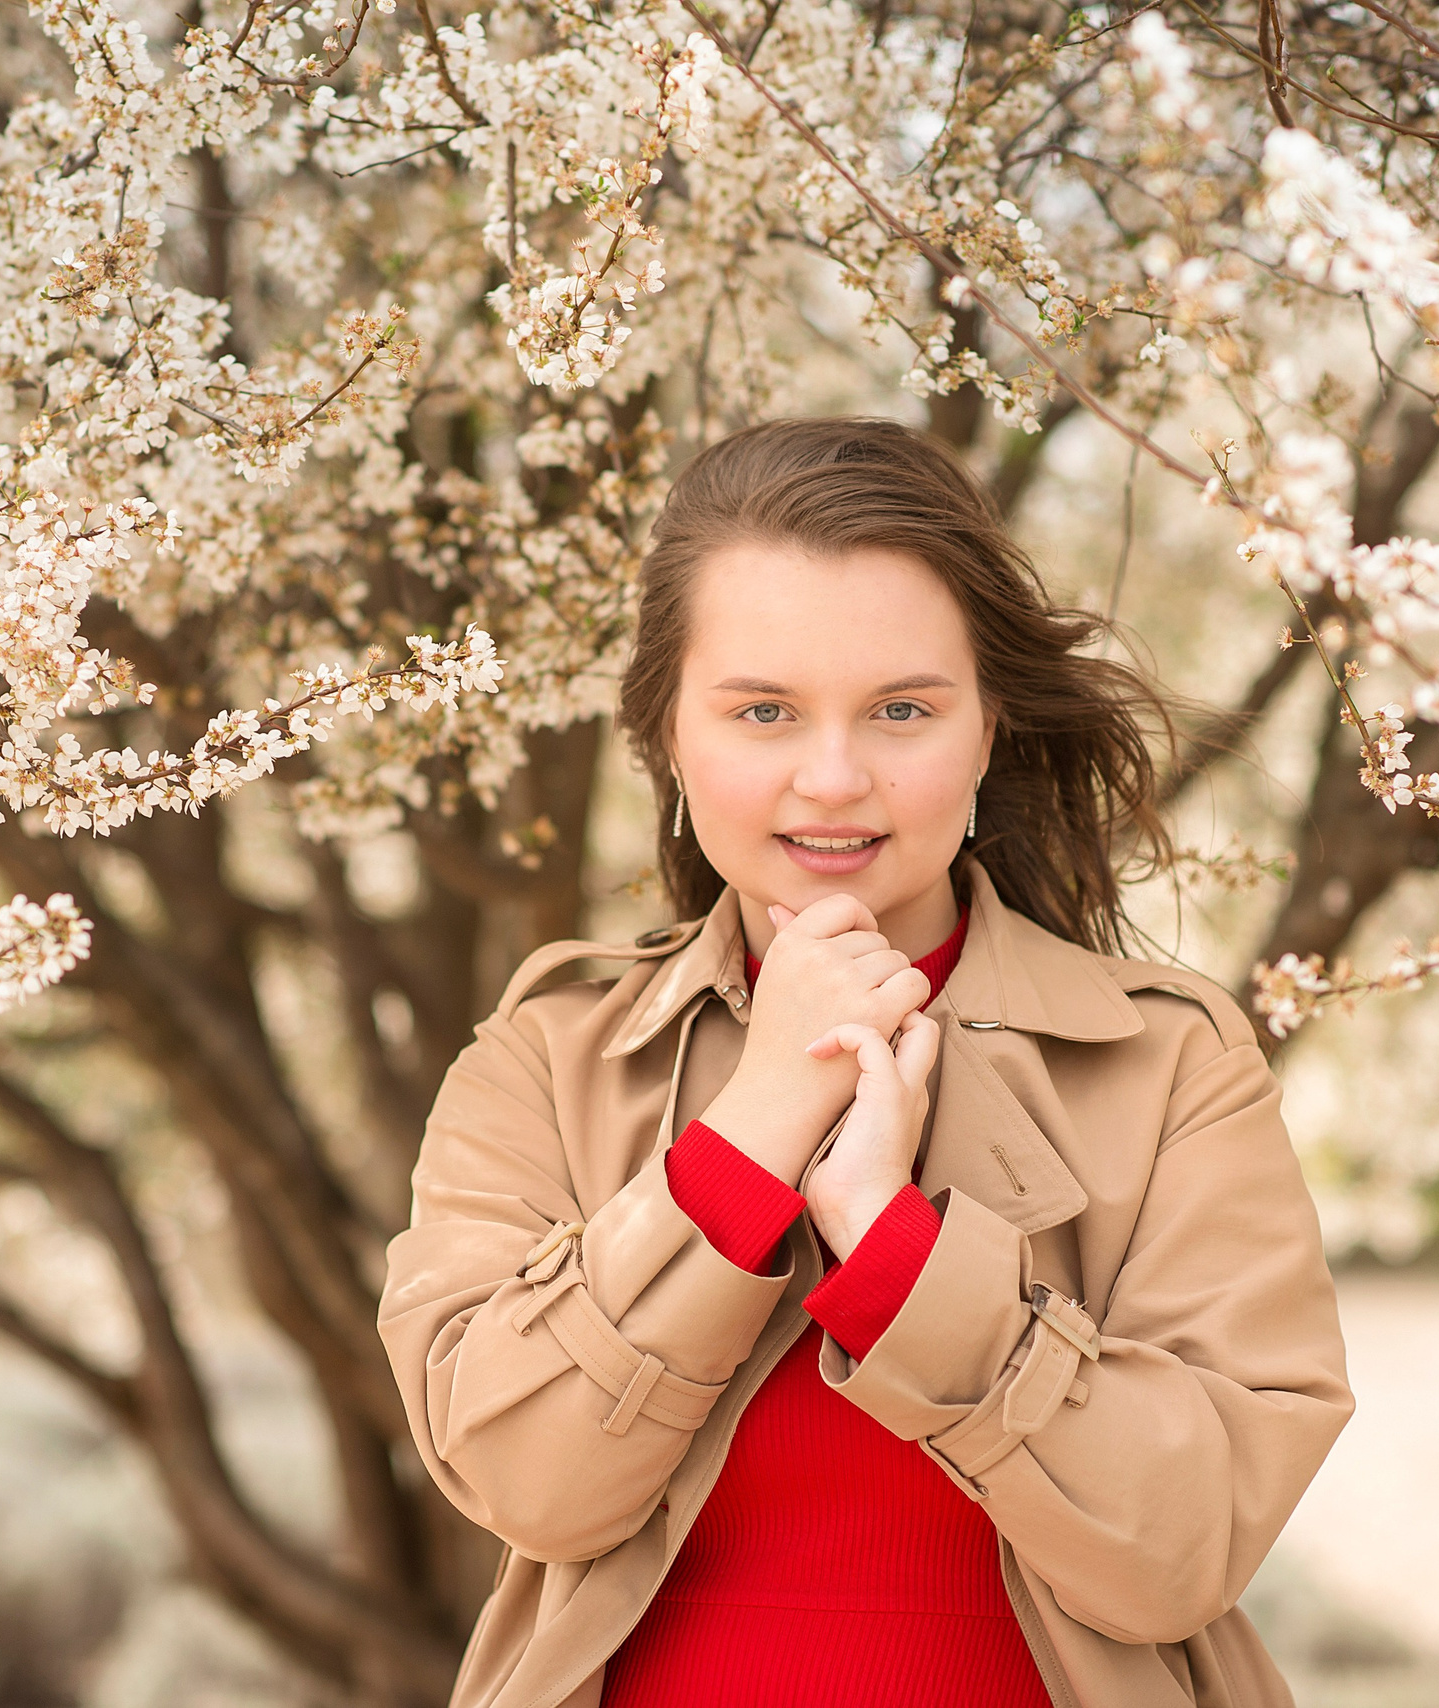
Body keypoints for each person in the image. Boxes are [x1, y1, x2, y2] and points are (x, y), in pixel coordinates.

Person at [378, 417, 1353, 1708]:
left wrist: (897, 1257)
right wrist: (751, 1133)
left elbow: (1184, 1547)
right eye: (764, 710)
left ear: (989, 725)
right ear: (671, 733)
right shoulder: (551, 1058)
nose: (832, 778)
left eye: (901, 709)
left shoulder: (1170, 1068)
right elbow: (527, 1482)